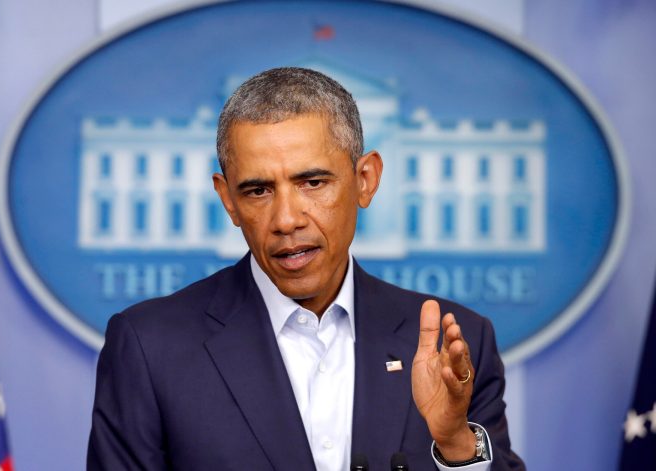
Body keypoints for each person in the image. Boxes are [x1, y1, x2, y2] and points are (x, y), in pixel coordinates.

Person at [88, 67, 525, 470]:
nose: (286, 220)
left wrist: (456, 445)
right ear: (228, 200)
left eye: (312, 183)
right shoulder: (150, 347)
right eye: (258, 190)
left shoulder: (459, 344)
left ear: (366, 179)